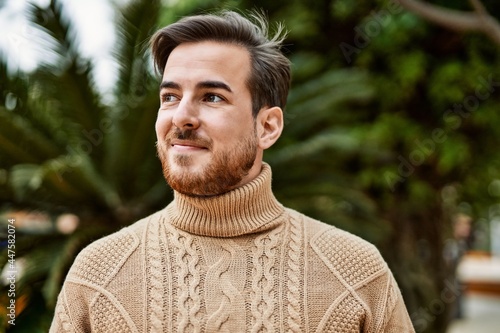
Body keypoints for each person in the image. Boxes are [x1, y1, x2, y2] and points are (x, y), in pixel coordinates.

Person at [50, 10, 415, 332]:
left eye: (212, 97)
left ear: (267, 127)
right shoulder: (98, 274)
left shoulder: (355, 272)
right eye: (170, 97)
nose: (181, 117)